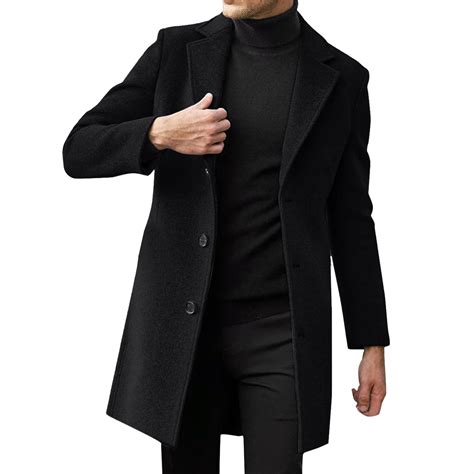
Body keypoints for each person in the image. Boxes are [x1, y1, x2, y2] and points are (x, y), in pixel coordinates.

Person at [63, 0, 390, 472]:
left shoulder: (342, 79)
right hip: (185, 333)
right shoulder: (177, 50)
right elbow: (78, 150)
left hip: (283, 332)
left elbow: (352, 218)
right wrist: (158, 132)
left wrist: (371, 342)